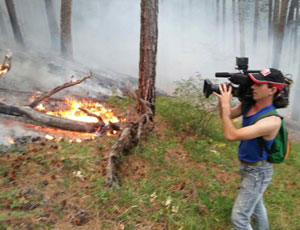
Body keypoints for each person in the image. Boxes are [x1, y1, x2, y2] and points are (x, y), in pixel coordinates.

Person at [213, 68, 288, 230]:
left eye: (258, 84)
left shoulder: (271, 120)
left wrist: (226, 105)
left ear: (272, 90)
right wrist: (222, 101)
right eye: (253, 83)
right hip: (247, 166)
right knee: (256, 207)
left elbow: (231, 134)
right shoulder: (249, 105)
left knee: (239, 218)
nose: (252, 87)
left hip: (258, 172)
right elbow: (226, 117)